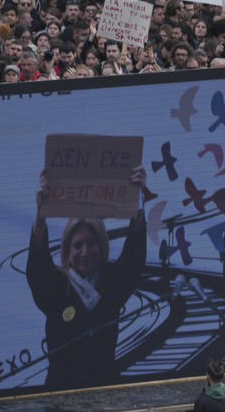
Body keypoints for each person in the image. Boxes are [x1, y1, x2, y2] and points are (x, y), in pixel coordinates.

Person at [26, 166, 147, 388]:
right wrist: (41, 213)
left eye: (91, 244)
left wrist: (137, 200)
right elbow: (37, 267)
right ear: (67, 250)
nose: (84, 252)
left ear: (101, 246)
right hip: (60, 396)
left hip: (106, 394)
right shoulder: (55, 286)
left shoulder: (112, 282)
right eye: (77, 245)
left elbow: (134, 258)